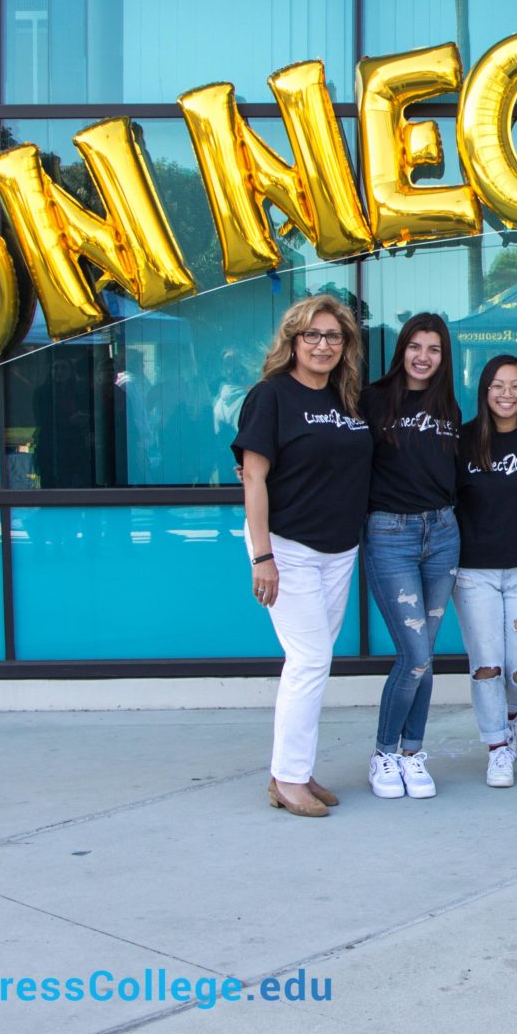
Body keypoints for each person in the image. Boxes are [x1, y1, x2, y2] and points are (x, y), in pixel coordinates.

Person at [234, 294, 373, 819]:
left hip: (338, 549)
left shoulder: (346, 399)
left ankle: (292, 770)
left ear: (346, 346)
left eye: (333, 336)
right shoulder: (271, 396)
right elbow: (253, 477)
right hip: (286, 547)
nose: (322, 344)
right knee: (310, 660)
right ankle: (289, 779)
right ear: (292, 341)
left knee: (313, 662)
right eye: (312, 335)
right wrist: (262, 556)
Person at [360, 313, 462, 801]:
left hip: (443, 534)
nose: (423, 357)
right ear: (401, 349)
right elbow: (337, 455)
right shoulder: (372, 400)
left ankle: (411, 754)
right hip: (391, 535)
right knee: (415, 655)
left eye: (434, 349)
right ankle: (384, 752)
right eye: (415, 346)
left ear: (444, 357)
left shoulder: (449, 406)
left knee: (427, 657)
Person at [453, 355, 517, 789]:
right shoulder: (464, 440)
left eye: (515, 386)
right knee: (487, 665)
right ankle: (497, 748)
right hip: (475, 574)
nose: (506, 394)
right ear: (484, 390)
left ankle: (508, 719)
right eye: (497, 385)